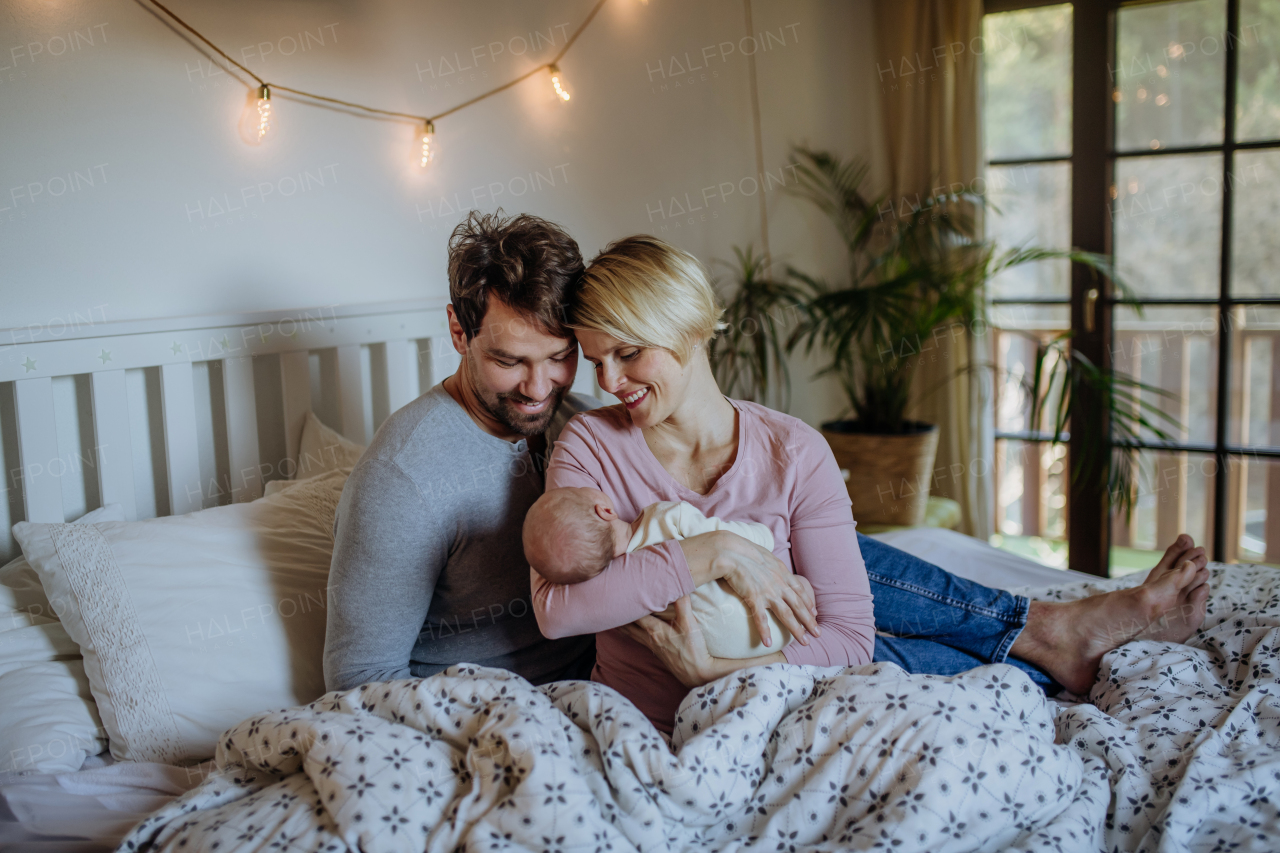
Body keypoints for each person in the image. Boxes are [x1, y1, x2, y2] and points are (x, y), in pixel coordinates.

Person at [531, 234, 1212, 734]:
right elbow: (560, 610)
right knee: (870, 625)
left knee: (875, 633)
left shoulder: (793, 450)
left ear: (688, 328)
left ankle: (1057, 643)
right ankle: (1056, 636)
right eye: (596, 360)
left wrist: (724, 675)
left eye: (628, 352)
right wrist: (718, 553)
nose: (610, 382)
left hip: (782, 697)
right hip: (650, 716)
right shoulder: (590, 443)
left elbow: (848, 639)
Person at [323, 211, 603, 690]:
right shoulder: (401, 477)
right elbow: (358, 680)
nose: (539, 387)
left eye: (560, 357)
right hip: (477, 724)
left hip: (600, 698)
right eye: (509, 360)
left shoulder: (586, 424)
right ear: (458, 331)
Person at [523, 487, 792, 658]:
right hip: (776, 628)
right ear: (604, 510)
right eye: (583, 488)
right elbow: (730, 537)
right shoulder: (665, 517)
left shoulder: (628, 595)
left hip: (728, 654)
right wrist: (766, 535)